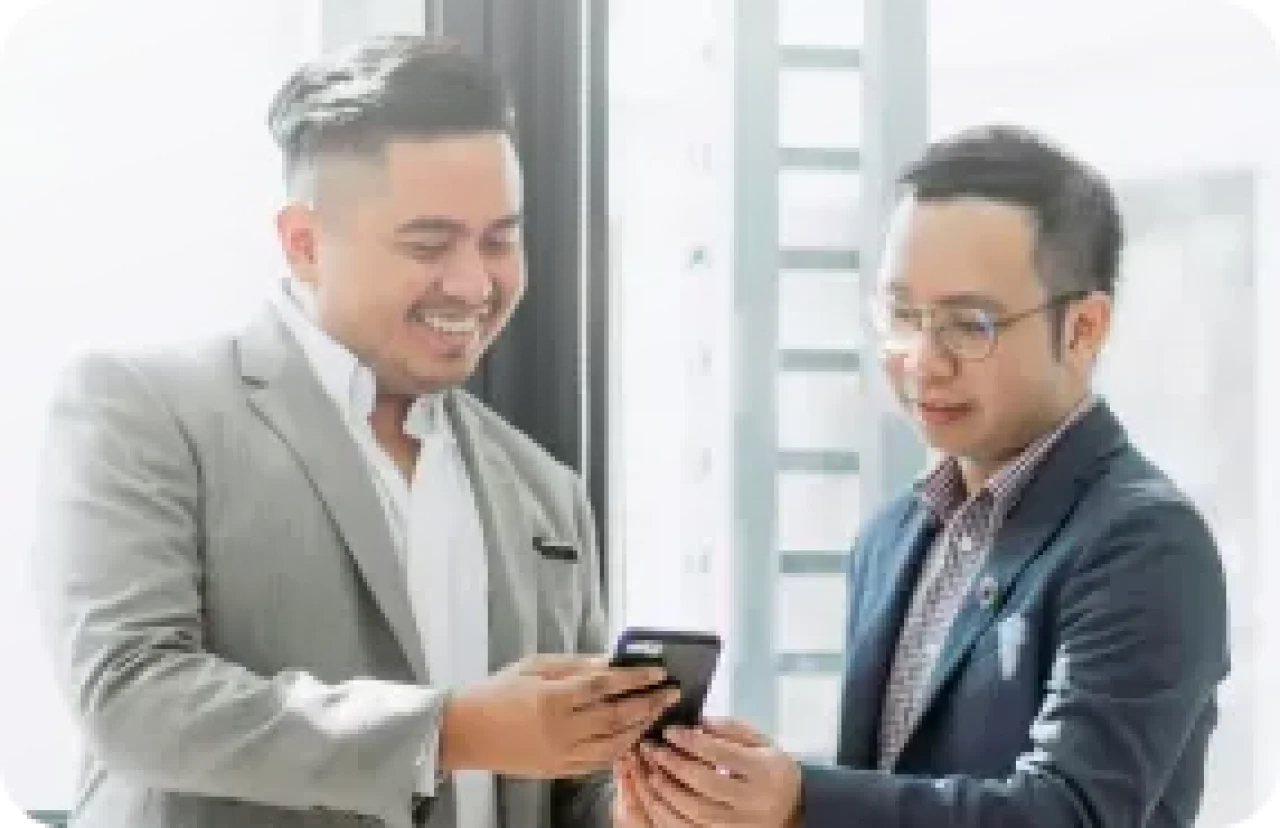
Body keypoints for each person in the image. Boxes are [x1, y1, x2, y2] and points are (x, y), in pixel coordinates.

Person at [31, 35, 675, 828]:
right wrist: (454, 730)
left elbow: (563, 793)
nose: (475, 284)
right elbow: (130, 695)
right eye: (428, 244)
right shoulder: (144, 411)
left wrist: (646, 808)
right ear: (303, 244)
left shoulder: (545, 488)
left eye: (501, 239)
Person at [613, 125, 1230, 827]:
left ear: (1083, 328)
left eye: (970, 325)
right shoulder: (892, 536)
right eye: (903, 316)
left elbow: (1070, 813)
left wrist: (802, 800)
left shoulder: (1146, 543)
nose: (923, 361)